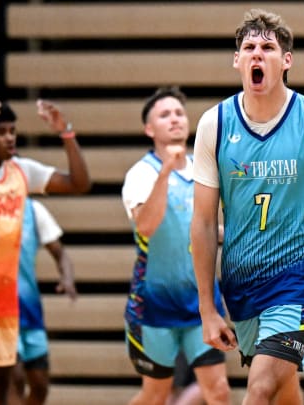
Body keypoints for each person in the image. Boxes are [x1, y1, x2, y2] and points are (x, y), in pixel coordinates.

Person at [190, 8, 304, 405]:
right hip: (240, 283)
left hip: (299, 279)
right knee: (284, 390)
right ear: (237, 60)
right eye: (249, 47)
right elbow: (204, 222)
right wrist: (207, 308)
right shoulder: (215, 124)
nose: (257, 54)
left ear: (286, 61)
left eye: (268, 48)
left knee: (259, 390)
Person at [0, 99, 90, 405]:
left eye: (13, 131)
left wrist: (66, 133)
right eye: (0, 132)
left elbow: (79, 183)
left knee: (0, 387)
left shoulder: (22, 171)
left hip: (4, 298)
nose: (10, 137)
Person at [121, 87, 230, 405]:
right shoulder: (141, 174)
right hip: (153, 306)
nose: (174, 119)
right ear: (149, 129)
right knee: (155, 395)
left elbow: (203, 229)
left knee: (219, 391)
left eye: (179, 113)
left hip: (201, 305)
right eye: (164, 115)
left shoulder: (204, 169)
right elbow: (146, 226)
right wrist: (166, 170)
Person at [7, 198, 77, 405]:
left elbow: (60, 253)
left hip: (30, 312)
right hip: (2, 313)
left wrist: (67, 277)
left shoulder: (33, 209)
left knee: (40, 386)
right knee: (15, 380)